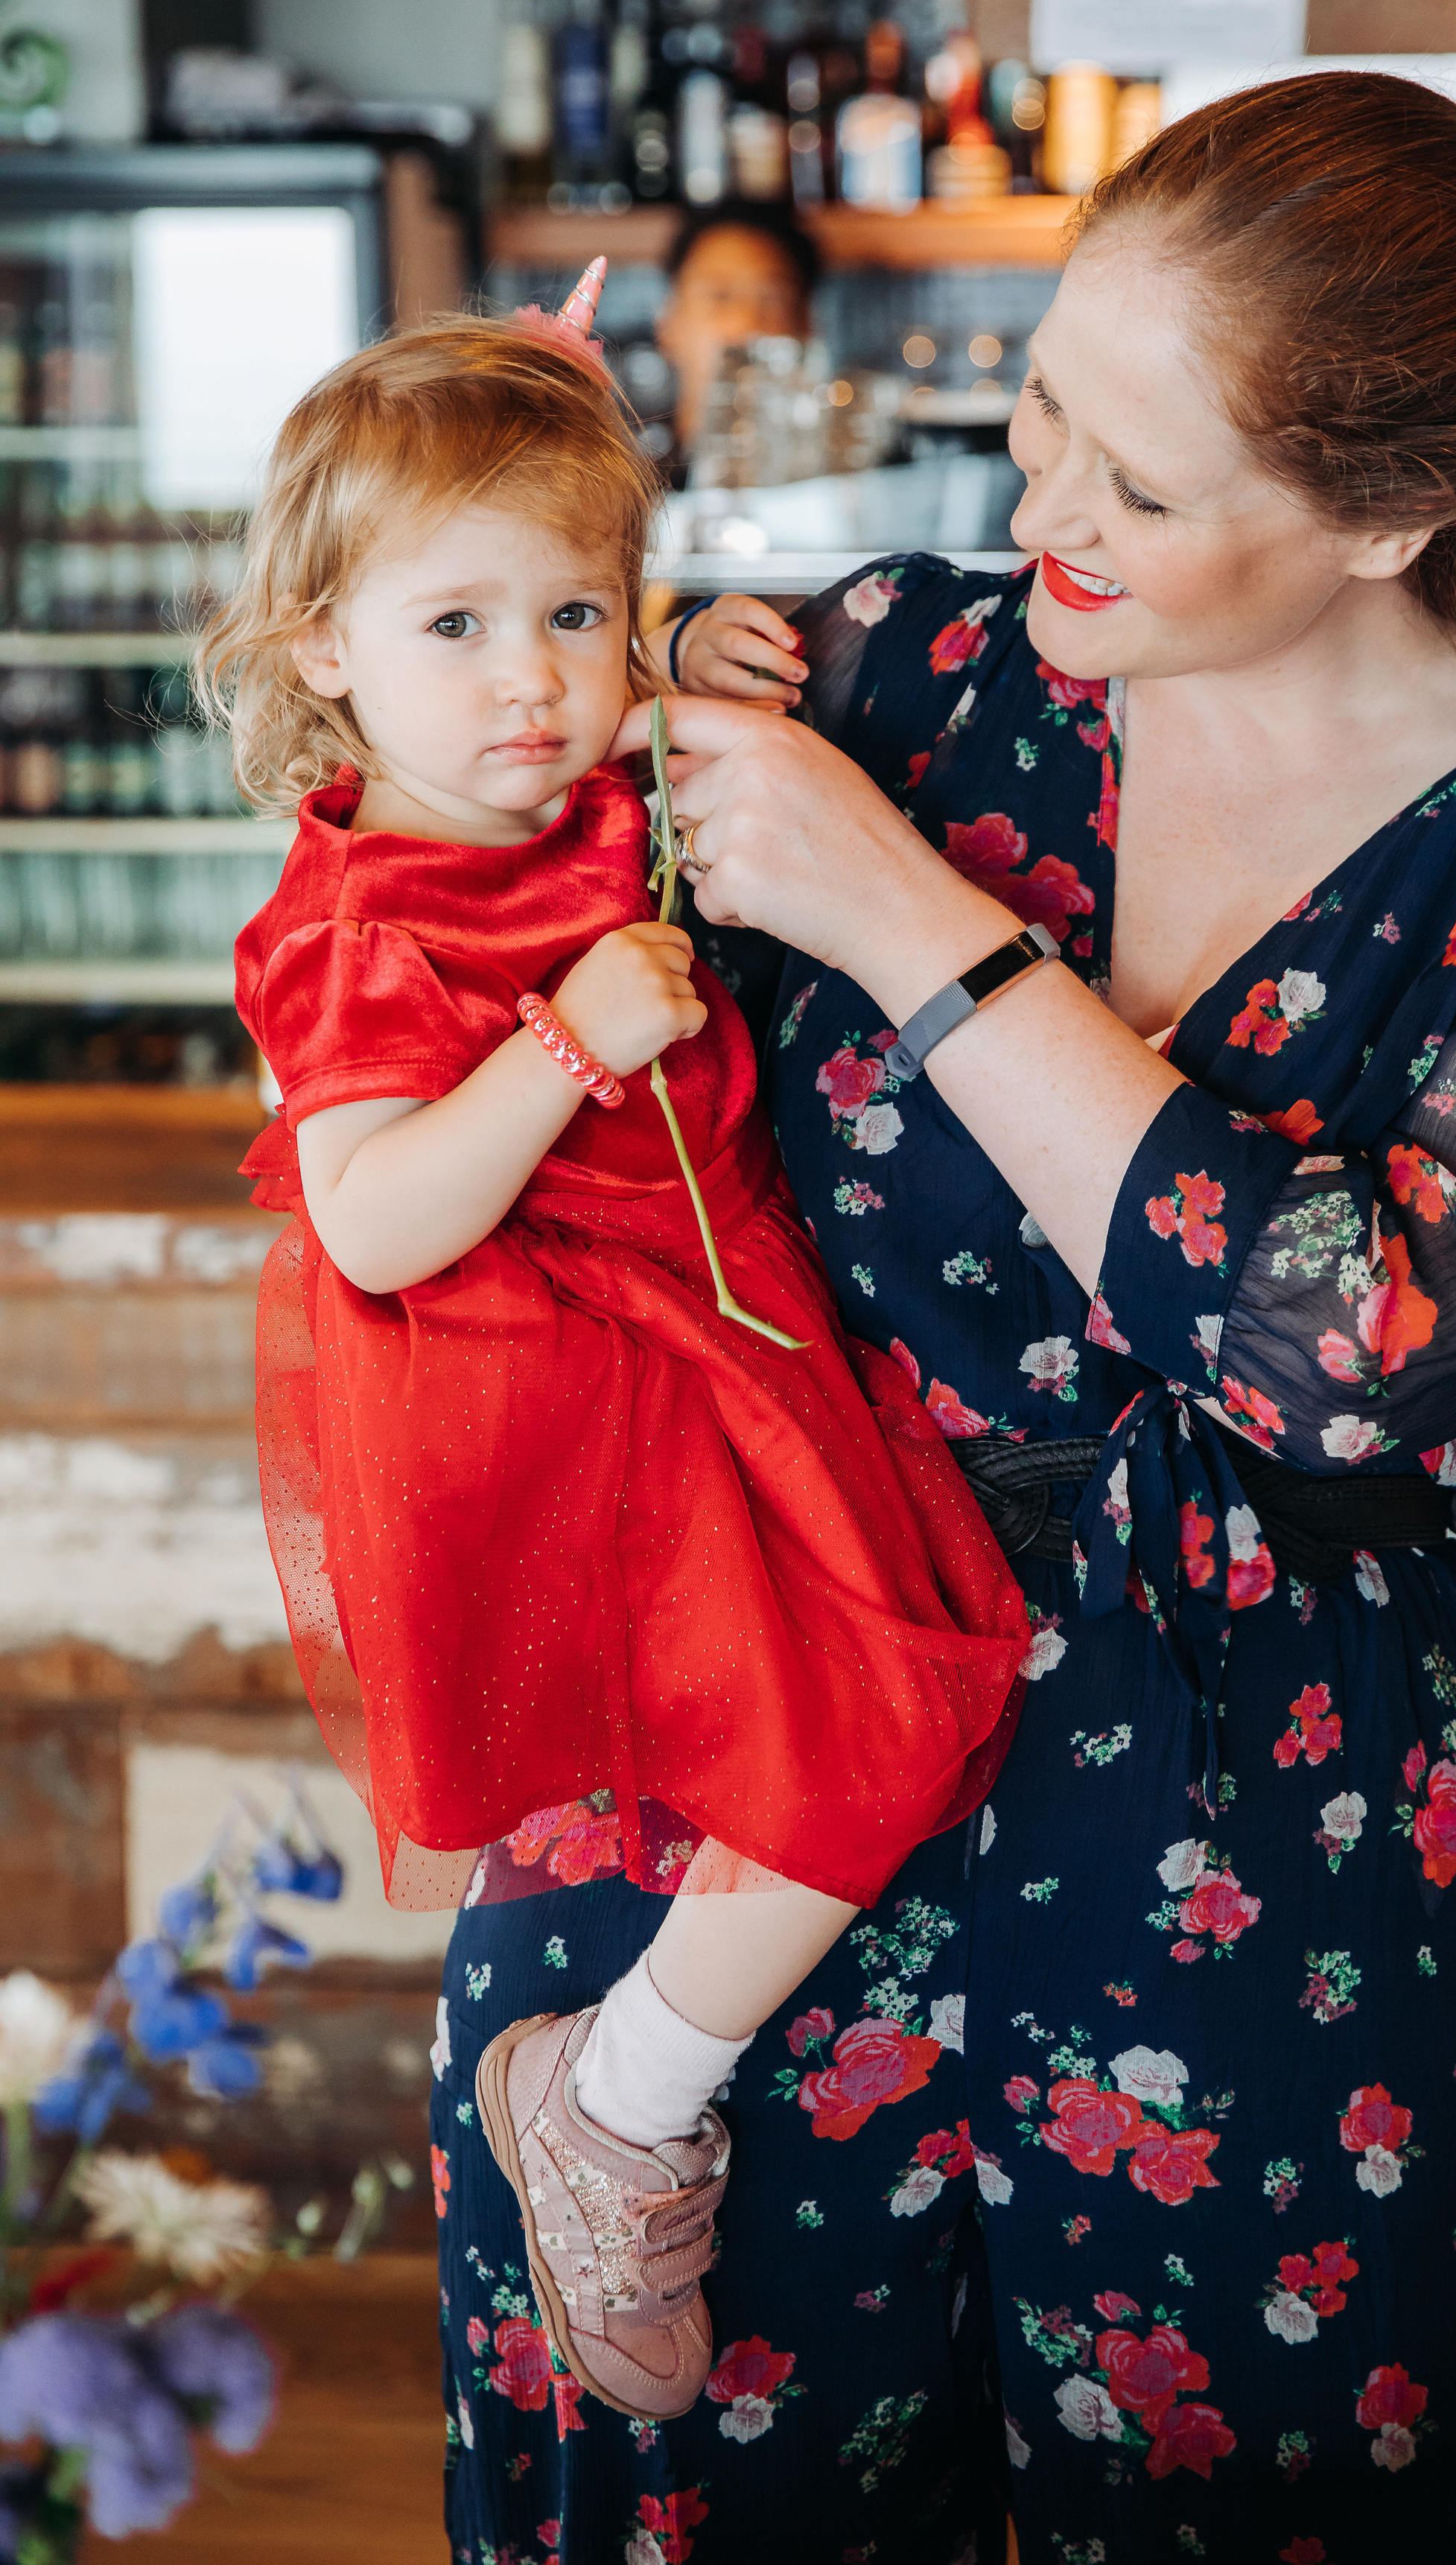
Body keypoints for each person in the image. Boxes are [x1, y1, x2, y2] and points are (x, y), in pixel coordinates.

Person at [435, 74, 1456, 2564]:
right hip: (738, 1741)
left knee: (1262, 2494)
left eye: (1138, 489)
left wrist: (906, 924)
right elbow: (438, 901)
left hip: (1254, 1799)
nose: (1041, 505)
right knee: (689, 2496)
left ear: (1389, 514)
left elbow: (1359, 1345)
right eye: (1044, 410)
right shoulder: (891, 670)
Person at [197, 265, 1027, 2430]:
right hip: (576, 1398)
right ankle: (621, 2093)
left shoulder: (568, 773)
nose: (530, 678)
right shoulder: (361, 919)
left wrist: (674, 678)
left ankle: (623, 2083)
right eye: (458, 626)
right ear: (325, 651)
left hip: (718, 1336)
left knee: (919, 1674)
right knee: (877, 1714)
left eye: (575, 610)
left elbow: (587, 723)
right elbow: (374, 1217)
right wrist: (566, 1044)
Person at [655, 200, 821, 474]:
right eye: (720, 296)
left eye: (774, 300)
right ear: (667, 325)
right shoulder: (628, 492)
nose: (747, 324)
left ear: (808, 327)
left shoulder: (852, 486)